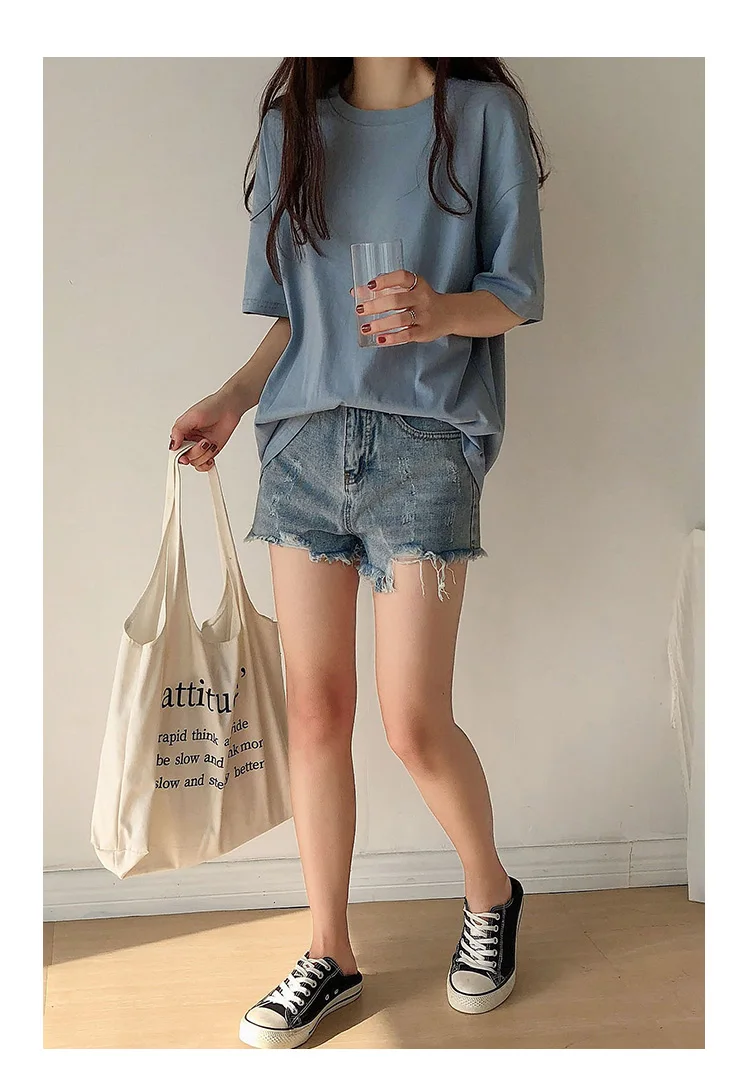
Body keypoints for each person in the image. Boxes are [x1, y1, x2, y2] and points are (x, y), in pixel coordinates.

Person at [170, 57, 546, 1050]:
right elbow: (295, 315)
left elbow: (514, 291)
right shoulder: (293, 129)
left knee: (413, 721)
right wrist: (233, 398)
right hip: (301, 445)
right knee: (314, 710)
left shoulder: (482, 118)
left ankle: (491, 893)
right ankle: (329, 950)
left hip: (427, 446)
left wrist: (441, 310)